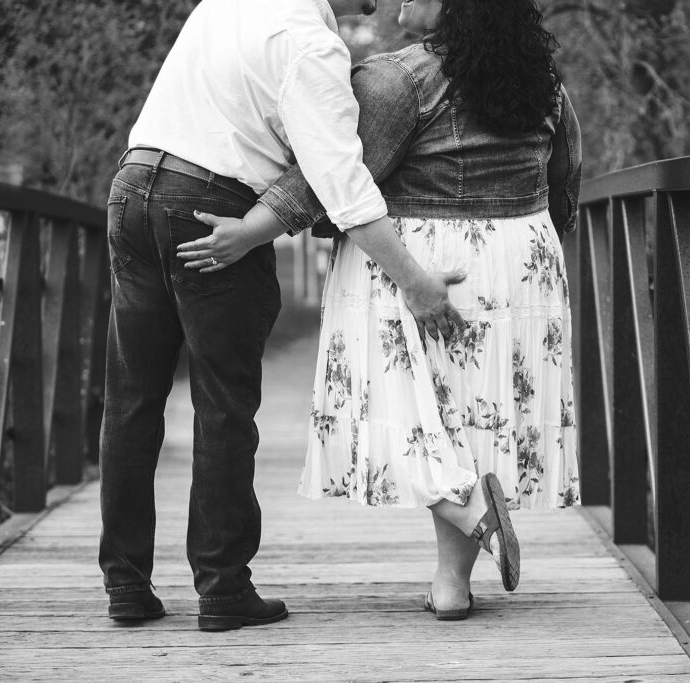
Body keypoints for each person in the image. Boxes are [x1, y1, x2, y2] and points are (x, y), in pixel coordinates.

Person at [178, 0, 583, 619]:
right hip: (520, 261)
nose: (397, 2)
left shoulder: (398, 78)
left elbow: (328, 174)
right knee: (468, 424)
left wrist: (253, 230)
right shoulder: (542, 82)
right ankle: (452, 587)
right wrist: (530, 253)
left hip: (415, 260)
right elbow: (566, 181)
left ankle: (471, 516)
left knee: (390, 409)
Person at [99, 0, 466, 632]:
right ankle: (221, 589)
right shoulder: (312, 47)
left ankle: (126, 586)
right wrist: (416, 282)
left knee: (131, 400)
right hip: (211, 206)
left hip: (132, 187)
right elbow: (343, 187)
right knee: (223, 405)